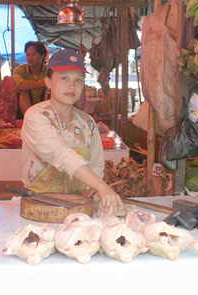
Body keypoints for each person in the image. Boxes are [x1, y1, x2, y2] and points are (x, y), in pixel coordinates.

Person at [21, 49, 124, 214]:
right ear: (48, 82)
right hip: (40, 207)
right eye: (64, 78)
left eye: (78, 79)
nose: (72, 85)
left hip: (79, 208)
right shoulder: (37, 116)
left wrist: (93, 187)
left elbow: (96, 164)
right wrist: (101, 186)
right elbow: (62, 155)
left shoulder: (88, 122)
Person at [12, 41, 48, 119]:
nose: (30, 58)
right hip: (23, 112)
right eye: (28, 54)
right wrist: (43, 83)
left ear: (42, 56)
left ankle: (47, 118)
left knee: (50, 89)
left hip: (44, 109)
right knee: (24, 91)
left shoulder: (49, 70)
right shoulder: (20, 69)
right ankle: (30, 119)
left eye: (33, 54)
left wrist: (47, 85)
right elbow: (19, 85)